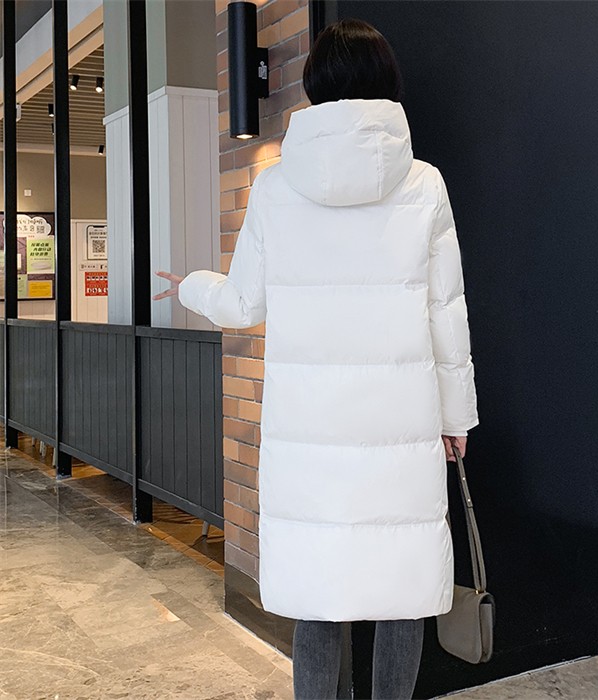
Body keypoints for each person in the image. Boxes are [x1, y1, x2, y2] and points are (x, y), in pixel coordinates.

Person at [153, 17, 478, 700]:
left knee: (318, 599)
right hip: (400, 430)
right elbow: (446, 313)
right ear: (387, 82)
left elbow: (242, 302)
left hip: (310, 438)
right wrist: (456, 419)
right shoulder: (425, 184)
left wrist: (191, 287)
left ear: (316, 84)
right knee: (402, 594)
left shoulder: (276, 187)